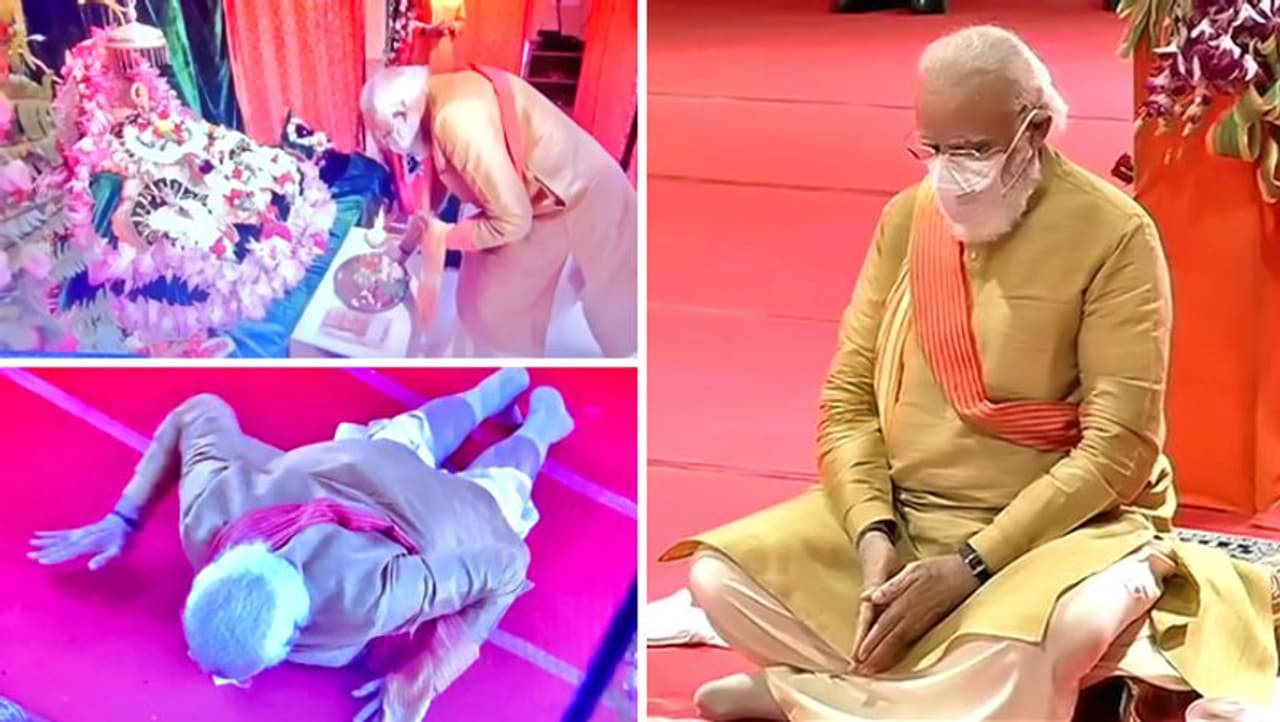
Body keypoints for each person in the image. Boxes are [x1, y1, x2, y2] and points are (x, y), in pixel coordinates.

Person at [654, 25, 1280, 722]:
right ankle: (929, 697)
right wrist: (871, 532)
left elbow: (1120, 449)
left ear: (1034, 129)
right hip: (910, 516)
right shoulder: (907, 219)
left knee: (1059, 630)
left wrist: (971, 566)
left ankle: (807, 696)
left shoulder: (1115, 234)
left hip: (1063, 533)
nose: (950, 169)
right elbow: (849, 398)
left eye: (974, 149)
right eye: (934, 148)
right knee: (722, 580)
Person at [28, 368, 575, 722]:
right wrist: (124, 517)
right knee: (404, 437)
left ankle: (544, 426)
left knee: (495, 493)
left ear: (294, 634)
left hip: (427, 515)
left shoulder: (374, 598)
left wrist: (425, 676)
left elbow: (508, 566)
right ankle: (487, 395)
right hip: (353, 466)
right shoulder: (210, 513)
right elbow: (200, 410)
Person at [360, 65, 638, 359]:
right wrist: (403, 251)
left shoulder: (453, 119)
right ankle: (470, 351)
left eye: (385, 135)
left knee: (499, 305)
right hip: (534, 200)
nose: (387, 146)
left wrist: (445, 237)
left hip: (580, 197)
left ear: (402, 114)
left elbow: (512, 220)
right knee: (479, 287)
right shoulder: (431, 101)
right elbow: (432, 199)